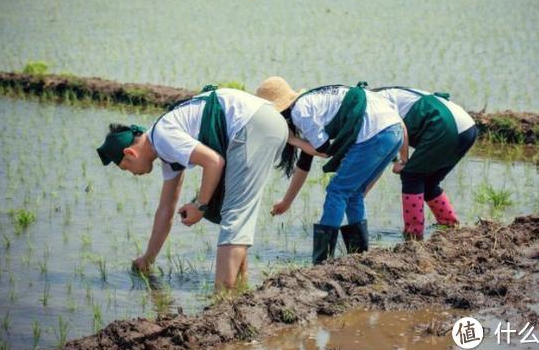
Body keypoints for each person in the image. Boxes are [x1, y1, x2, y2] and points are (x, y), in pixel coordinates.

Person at [96, 87, 288, 290]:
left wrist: (200, 205)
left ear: (130, 153)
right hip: (266, 123)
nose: (132, 173)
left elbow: (214, 162)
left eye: (126, 168)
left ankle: (222, 297)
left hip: (254, 125)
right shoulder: (164, 145)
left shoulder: (163, 136)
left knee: (235, 213)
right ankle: (240, 289)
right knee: (236, 211)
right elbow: (166, 210)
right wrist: (148, 258)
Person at [255, 76, 405, 264]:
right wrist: (287, 201)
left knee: (337, 191)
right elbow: (306, 161)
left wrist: (292, 140)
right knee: (354, 193)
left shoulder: (301, 111)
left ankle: (322, 261)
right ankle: (359, 256)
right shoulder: (311, 103)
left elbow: (324, 150)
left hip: (375, 131)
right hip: (394, 130)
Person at [373, 86, 478, 240]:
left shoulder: (374, 103)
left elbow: (396, 131)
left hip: (445, 126)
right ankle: (450, 225)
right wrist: (395, 159)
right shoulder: (389, 94)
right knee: (429, 182)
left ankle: (413, 234)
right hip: (467, 128)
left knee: (411, 175)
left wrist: (402, 160)